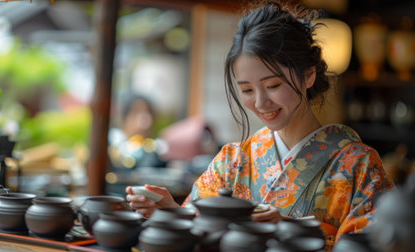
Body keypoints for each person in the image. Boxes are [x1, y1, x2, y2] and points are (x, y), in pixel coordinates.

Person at [125, 1, 394, 248]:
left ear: (309, 75)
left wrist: (287, 227)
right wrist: (171, 213)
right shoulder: (231, 161)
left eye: (273, 85)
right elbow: (200, 230)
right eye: (247, 90)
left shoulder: (359, 166)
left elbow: (378, 243)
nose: (261, 102)